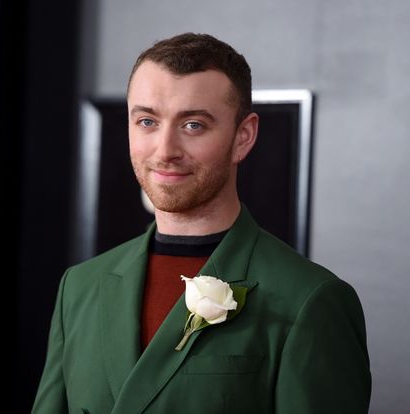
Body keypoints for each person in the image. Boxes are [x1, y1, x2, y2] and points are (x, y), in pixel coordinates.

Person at [32, 32, 371, 413]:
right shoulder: (79, 287)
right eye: (146, 121)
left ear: (243, 137)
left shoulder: (312, 299)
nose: (165, 151)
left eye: (193, 125)